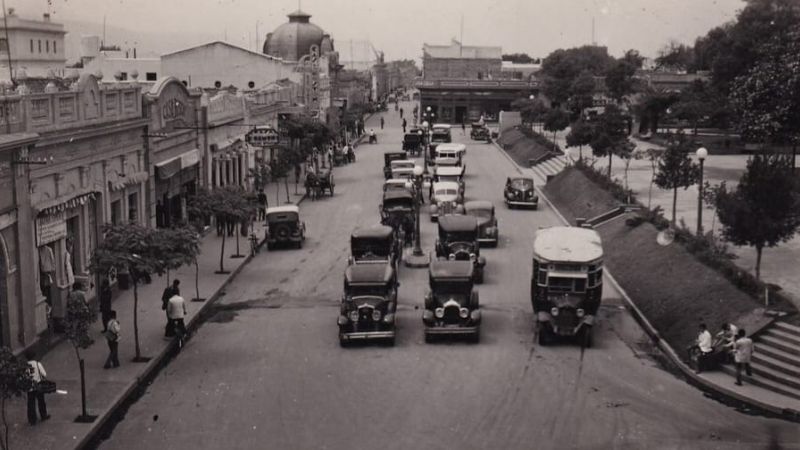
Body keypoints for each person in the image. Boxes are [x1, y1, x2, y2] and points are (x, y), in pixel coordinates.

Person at [25, 350, 49, 425]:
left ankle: (32, 420)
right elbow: (44, 374)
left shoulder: (25, 366)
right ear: (34, 356)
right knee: (41, 401)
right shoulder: (38, 364)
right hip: (38, 385)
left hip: (29, 386)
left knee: (31, 403)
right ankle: (43, 415)